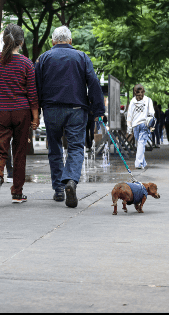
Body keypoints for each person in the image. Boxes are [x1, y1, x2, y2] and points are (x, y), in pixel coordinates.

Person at [36, 26, 105, 208]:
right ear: (70, 41)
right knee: (75, 147)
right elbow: (94, 83)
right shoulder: (81, 57)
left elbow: (35, 86)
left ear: (53, 41)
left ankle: (59, 189)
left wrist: (35, 110)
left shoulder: (43, 58)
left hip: (51, 109)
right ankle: (71, 181)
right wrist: (98, 110)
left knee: (55, 147)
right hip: (76, 109)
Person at [0, 24, 39, 206]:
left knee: (0, 150)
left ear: (3, 40)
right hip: (21, 111)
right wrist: (35, 117)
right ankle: (17, 193)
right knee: (19, 152)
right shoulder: (26, 63)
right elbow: (32, 93)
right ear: (21, 42)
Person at [126, 84, 154, 170]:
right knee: (141, 144)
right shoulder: (148, 100)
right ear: (144, 91)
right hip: (144, 124)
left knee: (139, 144)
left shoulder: (132, 101)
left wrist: (129, 127)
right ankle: (138, 163)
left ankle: (143, 163)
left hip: (135, 125)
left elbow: (129, 115)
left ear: (134, 92)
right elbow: (152, 113)